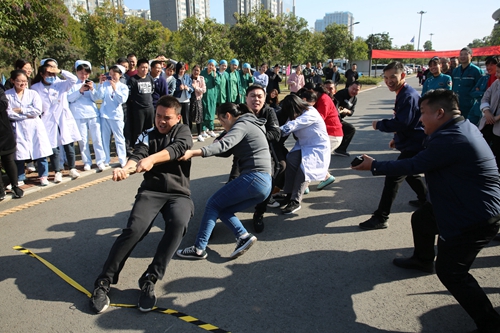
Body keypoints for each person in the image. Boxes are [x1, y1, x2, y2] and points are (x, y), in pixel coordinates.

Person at [352, 89, 500, 333]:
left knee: (451, 272)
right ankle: (422, 260)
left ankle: (490, 323)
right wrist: (399, 142)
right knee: (422, 218)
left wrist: (374, 165)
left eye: (423, 113)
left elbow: (415, 164)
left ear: (440, 113)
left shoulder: (453, 138)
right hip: (459, 203)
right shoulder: (458, 127)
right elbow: (423, 149)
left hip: (475, 217)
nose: (420, 119)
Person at [90, 96, 194, 314]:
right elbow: (137, 155)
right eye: (158, 116)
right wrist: (126, 168)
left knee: (179, 224)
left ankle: (150, 278)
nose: (161, 121)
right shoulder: (147, 134)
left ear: (178, 117)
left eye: (167, 118)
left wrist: (152, 160)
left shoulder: (183, 131)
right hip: (151, 191)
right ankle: (104, 281)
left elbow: (178, 149)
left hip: (178, 193)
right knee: (134, 230)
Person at [176, 102, 272, 260]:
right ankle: (243, 236)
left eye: (221, 121)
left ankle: (199, 248)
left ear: (227, 116)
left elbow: (225, 144)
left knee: (213, 203)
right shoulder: (251, 123)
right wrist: (216, 144)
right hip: (264, 184)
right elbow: (227, 150)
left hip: (254, 178)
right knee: (223, 209)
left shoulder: (242, 124)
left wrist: (193, 152)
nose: (222, 125)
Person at [359, 61, 428, 230]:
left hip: (414, 143)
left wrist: (380, 124)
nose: (389, 81)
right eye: (386, 77)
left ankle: (381, 217)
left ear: (403, 76)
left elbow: (402, 123)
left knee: (393, 176)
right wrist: (397, 139)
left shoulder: (408, 95)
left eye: (393, 77)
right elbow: (406, 122)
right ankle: (425, 199)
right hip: (410, 141)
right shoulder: (403, 93)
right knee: (410, 174)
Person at [279, 94, 330, 214]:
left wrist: (278, 130)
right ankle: (289, 194)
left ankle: (295, 201)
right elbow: (286, 129)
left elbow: (293, 125)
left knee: (304, 170)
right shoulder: (295, 114)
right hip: (303, 145)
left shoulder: (310, 113)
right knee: (290, 159)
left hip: (317, 146)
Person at [32, 62, 82, 183]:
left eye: (53, 73)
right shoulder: (35, 88)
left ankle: (72, 168)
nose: (51, 75)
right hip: (47, 119)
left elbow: (74, 79)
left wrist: (59, 71)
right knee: (53, 148)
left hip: (63, 117)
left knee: (68, 145)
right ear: (42, 74)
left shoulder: (60, 84)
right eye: (48, 73)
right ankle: (57, 171)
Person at [6, 70, 52, 186]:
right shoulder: (7, 95)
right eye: (19, 81)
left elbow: (37, 110)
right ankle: (20, 176)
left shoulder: (33, 94)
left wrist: (21, 110)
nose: (22, 84)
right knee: (19, 154)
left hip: (34, 126)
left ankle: (43, 176)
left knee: (40, 152)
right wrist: (26, 113)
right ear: (12, 81)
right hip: (18, 127)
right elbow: (8, 113)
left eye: (25, 81)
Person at [68, 60, 106, 172]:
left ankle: (100, 161)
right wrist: (80, 91)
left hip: (93, 114)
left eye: (86, 73)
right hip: (79, 115)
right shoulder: (71, 85)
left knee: (97, 139)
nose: (84, 76)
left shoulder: (91, 83)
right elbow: (69, 98)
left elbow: (97, 98)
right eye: (81, 73)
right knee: (83, 141)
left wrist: (93, 89)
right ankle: (87, 162)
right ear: (76, 72)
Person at [303, 83, 343, 190]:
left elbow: (318, 118)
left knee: (314, 158)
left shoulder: (324, 99)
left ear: (313, 90)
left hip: (332, 134)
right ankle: (325, 177)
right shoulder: (320, 98)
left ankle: (304, 185)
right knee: (316, 158)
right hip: (327, 134)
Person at [98, 65, 129, 167]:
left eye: (114, 74)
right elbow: (100, 96)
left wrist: (115, 88)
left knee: (119, 138)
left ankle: (122, 158)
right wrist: (101, 83)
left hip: (116, 116)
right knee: (105, 138)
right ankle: (106, 159)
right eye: (110, 74)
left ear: (120, 75)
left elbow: (122, 100)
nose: (112, 76)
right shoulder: (105, 84)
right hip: (105, 115)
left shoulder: (123, 87)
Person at [0, 84, 24, 199]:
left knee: (8, 159)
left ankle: (15, 186)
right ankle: (0, 190)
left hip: (3, 131)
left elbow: (3, 104)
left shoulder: (0, 89)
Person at [127, 58, 155, 148]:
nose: (145, 69)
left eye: (146, 67)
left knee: (149, 129)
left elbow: (152, 91)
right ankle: (137, 146)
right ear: (138, 68)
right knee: (138, 129)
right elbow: (130, 95)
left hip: (149, 108)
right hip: (138, 109)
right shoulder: (133, 80)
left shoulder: (150, 78)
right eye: (142, 67)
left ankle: (148, 145)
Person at [478, 62, 500, 171]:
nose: (497, 75)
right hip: (487, 123)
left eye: (499, 73)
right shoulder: (496, 83)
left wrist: (496, 118)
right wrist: (486, 112)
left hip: (497, 127)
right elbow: (485, 98)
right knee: (482, 148)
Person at [452, 47, 483, 119]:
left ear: (471, 56)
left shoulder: (476, 71)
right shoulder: (455, 71)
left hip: (470, 106)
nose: (463, 57)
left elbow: (480, 88)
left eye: (466, 54)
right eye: (461, 54)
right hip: (456, 105)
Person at [333, 81, 361, 157]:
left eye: (357, 90)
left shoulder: (354, 99)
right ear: (349, 87)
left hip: (339, 119)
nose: (354, 91)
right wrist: (339, 111)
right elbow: (334, 105)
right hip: (333, 118)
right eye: (353, 88)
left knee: (350, 129)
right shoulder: (341, 93)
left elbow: (351, 112)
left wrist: (347, 111)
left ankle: (340, 149)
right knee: (350, 129)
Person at [469, 56, 499, 125]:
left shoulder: (497, 81)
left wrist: (480, 92)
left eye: (491, 65)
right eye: (487, 65)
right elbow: (472, 92)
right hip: (477, 109)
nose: (488, 67)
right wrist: (485, 94)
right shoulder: (483, 78)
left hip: (492, 113)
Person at [200, 59, 220, 139]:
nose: (211, 66)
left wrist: (215, 73)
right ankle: (203, 129)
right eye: (210, 65)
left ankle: (211, 129)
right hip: (204, 95)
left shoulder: (214, 74)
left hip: (212, 95)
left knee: (211, 112)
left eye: (212, 65)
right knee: (204, 112)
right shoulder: (203, 73)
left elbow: (217, 83)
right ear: (207, 65)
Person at [173, 62, 194, 126]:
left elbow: (192, 88)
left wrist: (188, 88)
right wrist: (179, 88)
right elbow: (171, 89)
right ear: (177, 69)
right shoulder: (174, 77)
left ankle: (187, 133)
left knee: (186, 119)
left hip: (186, 100)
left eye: (183, 69)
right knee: (177, 119)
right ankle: (177, 133)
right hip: (177, 101)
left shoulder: (187, 77)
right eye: (181, 69)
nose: (182, 71)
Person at [190, 64, 206, 142]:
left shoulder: (201, 79)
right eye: (195, 70)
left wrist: (195, 87)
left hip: (198, 99)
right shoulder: (188, 78)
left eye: (198, 70)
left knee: (199, 117)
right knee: (189, 117)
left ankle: (199, 134)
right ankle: (189, 133)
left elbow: (204, 90)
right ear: (192, 70)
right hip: (189, 99)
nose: (196, 72)